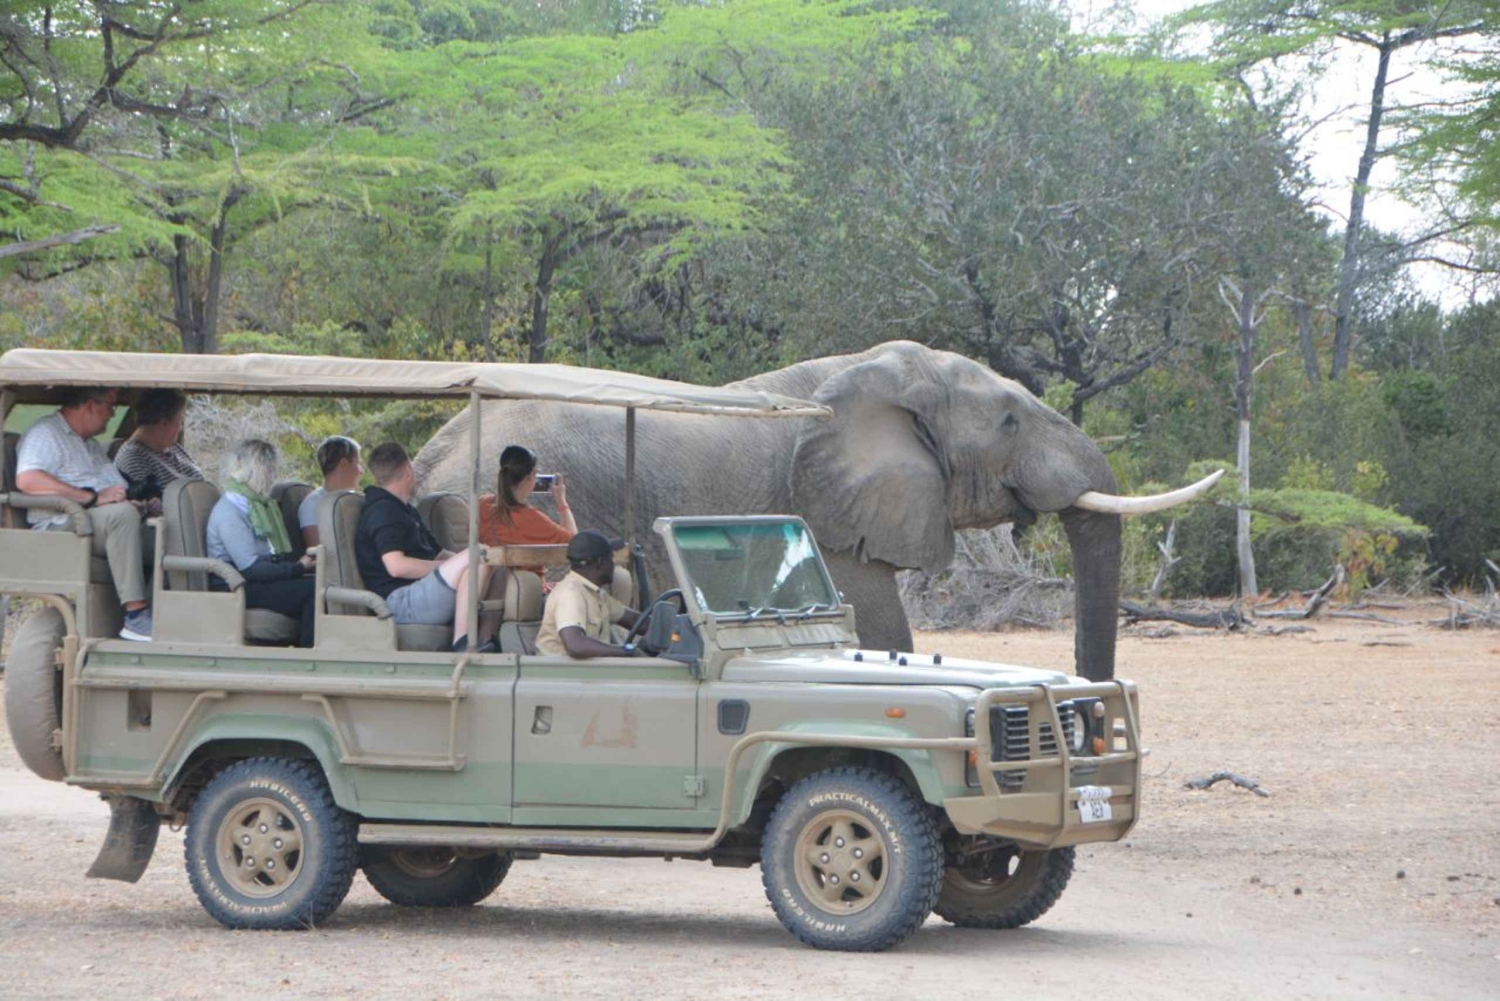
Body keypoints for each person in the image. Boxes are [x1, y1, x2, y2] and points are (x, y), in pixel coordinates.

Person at [14, 386, 153, 641]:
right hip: (62, 525)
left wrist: (138, 502)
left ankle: (164, 612)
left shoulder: (89, 445)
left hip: (96, 522)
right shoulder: (45, 433)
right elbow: (28, 480)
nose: (112, 414)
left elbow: (116, 487)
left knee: (159, 531)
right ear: (90, 405)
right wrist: (90, 497)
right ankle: (136, 616)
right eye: (110, 406)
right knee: (121, 516)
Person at [355, 442, 498, 653]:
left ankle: (483, 638)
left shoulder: (405, 510)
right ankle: (461, 643)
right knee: (479, 553)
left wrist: (459, 561)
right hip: (398, 601)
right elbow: (396, 566)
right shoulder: (382, 511)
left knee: (486, 560)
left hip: (420, 590)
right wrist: (447, 566)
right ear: (407, 470)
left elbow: (439, 552)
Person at [205, 440, 317, 648]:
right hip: (237, 585)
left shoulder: (258, 507)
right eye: (269, 470)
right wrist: (297, 568)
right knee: (313, 591)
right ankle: (309, 655)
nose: (273, 476)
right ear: (255, 471)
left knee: (319, 583)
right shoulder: (230, 512)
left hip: (257, 580)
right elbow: (251, 568)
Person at [535, 530, 645, 659]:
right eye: (611, 560)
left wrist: (669, 628)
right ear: (600, 563)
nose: (613, 565)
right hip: (562, 675)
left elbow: (633, 620)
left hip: (588, 674)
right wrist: (626, 651)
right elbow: (576, 645)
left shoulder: (595, 594)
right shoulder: (571, 593)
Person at [478, 444, 576, 581]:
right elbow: (575, 544)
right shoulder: (532, 519)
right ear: (530, 477)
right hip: (529, 591)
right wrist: (561, 500)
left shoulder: (482, 504)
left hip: (493, 585)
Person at [113, 389, 202, 495]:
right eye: (180, 421)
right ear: (164, 424)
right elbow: (155, 506)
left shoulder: (172, 447)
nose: (181, 428)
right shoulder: (133, 459)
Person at [298, 435, 362, 550]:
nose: (361, 471)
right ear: (344, 464)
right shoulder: (313, 504)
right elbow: (320, 556)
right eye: (357, 463)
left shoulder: (356, 499)